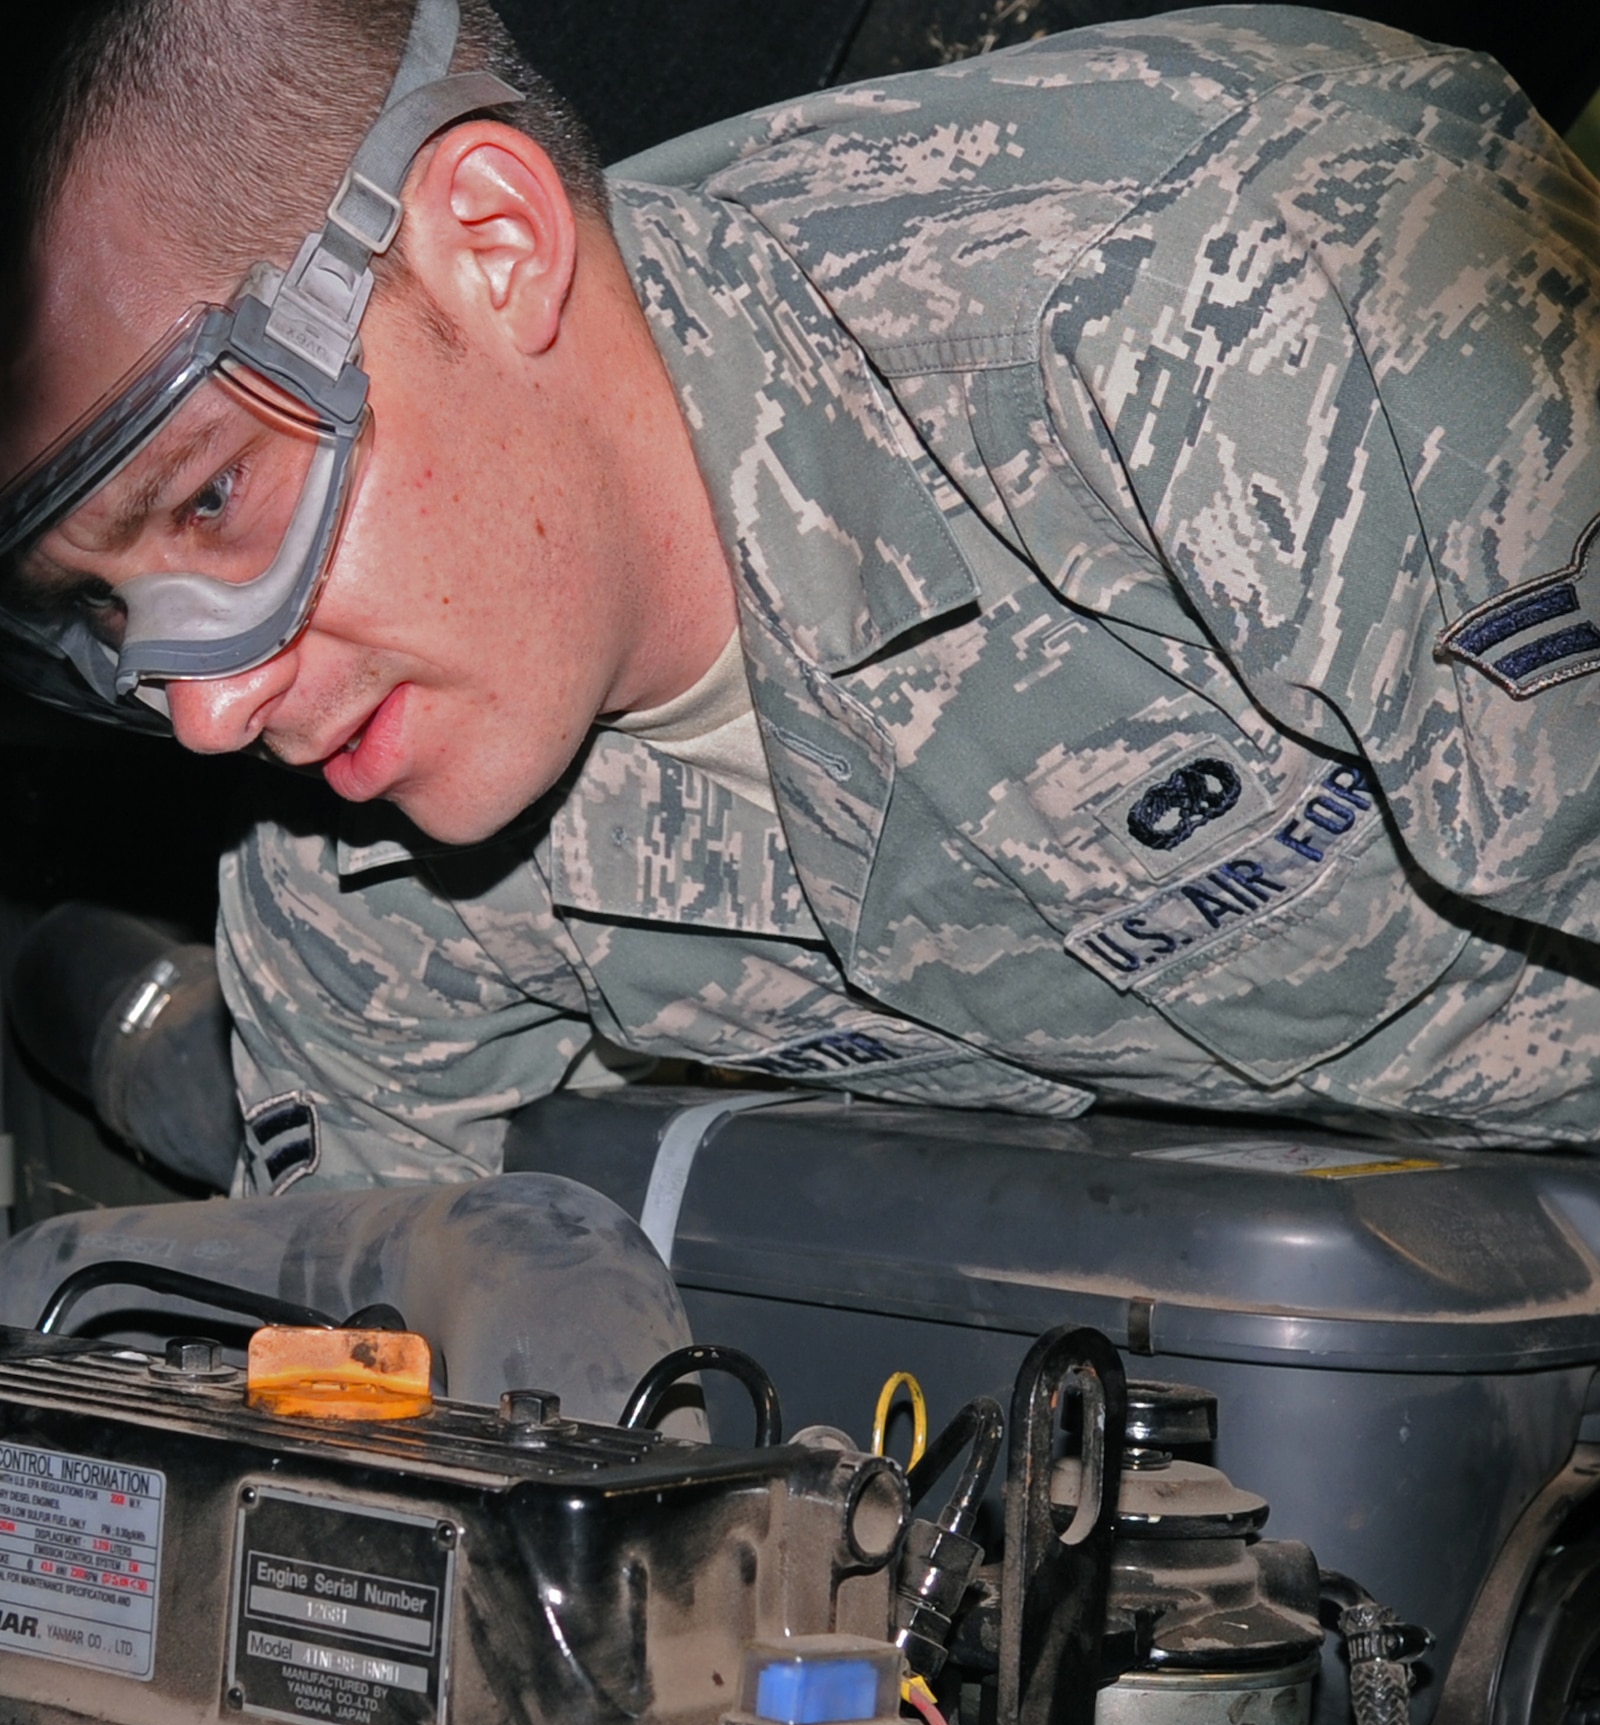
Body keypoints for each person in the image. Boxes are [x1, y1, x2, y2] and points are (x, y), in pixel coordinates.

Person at [3, 0, 1600, 1195]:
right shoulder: (351, 863)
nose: (207, 712)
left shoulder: (1239, 309)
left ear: (492, 248)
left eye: (217, 498)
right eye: (114, 619)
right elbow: (380, 1444)